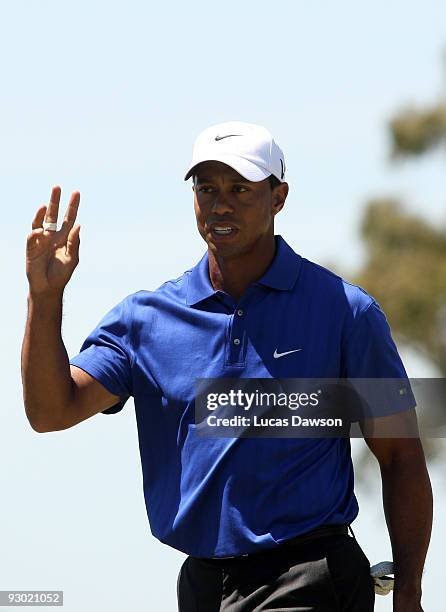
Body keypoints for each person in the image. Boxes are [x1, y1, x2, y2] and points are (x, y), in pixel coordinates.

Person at [22, 121, 432, 611]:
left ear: (278, 198)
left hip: (310, 576)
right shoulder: (145, 320)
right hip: (202, 583)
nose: (221, 204)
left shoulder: (346, 312)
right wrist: (45, 299)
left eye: (240, 188)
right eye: (206, 187)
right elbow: (50, 413)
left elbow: (401, 456)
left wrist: (409, 590)